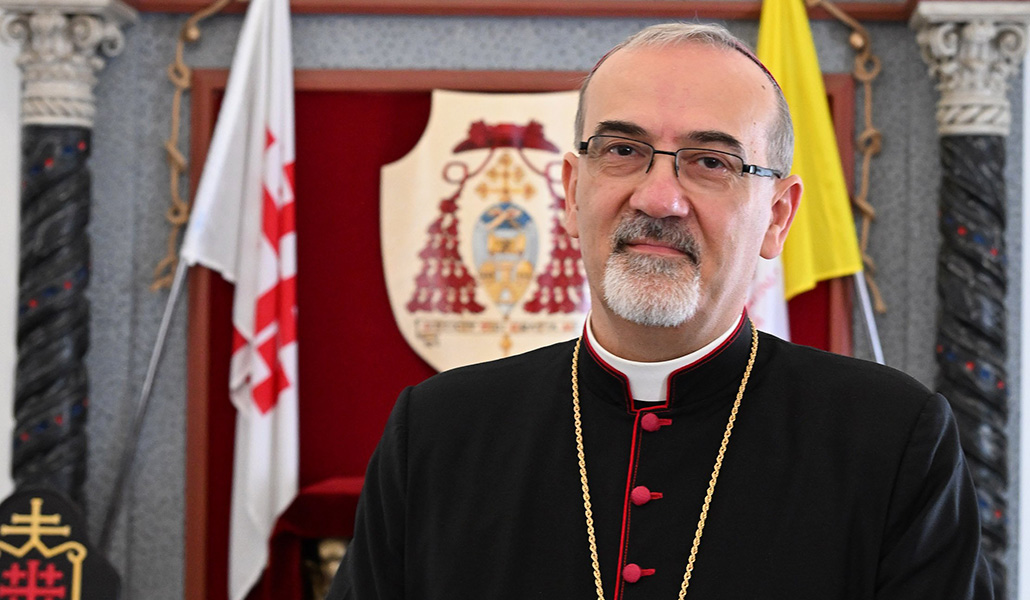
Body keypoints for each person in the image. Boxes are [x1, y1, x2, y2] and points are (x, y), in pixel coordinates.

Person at [328, 23, 993, 599]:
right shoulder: (436, 434)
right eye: (623, 151)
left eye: (711, 161)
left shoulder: (891, 441)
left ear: (777, 217)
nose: (658, 198)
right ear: (572, 191)